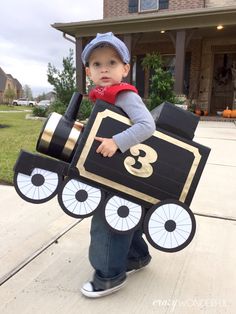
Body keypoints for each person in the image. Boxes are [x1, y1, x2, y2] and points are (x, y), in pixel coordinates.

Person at [80, 32, 156, 298]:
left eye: (112, 62)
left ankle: (109, 276)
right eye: (97, 64)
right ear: (89, 71)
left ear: (125, 69)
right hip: (120, 172)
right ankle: (136, 257)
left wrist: (117, 142)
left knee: (107, 218)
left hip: (123, 171)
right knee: (125, 214)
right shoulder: (104, 96)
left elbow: (147, 125)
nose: (104, 69)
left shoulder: (124, 95)